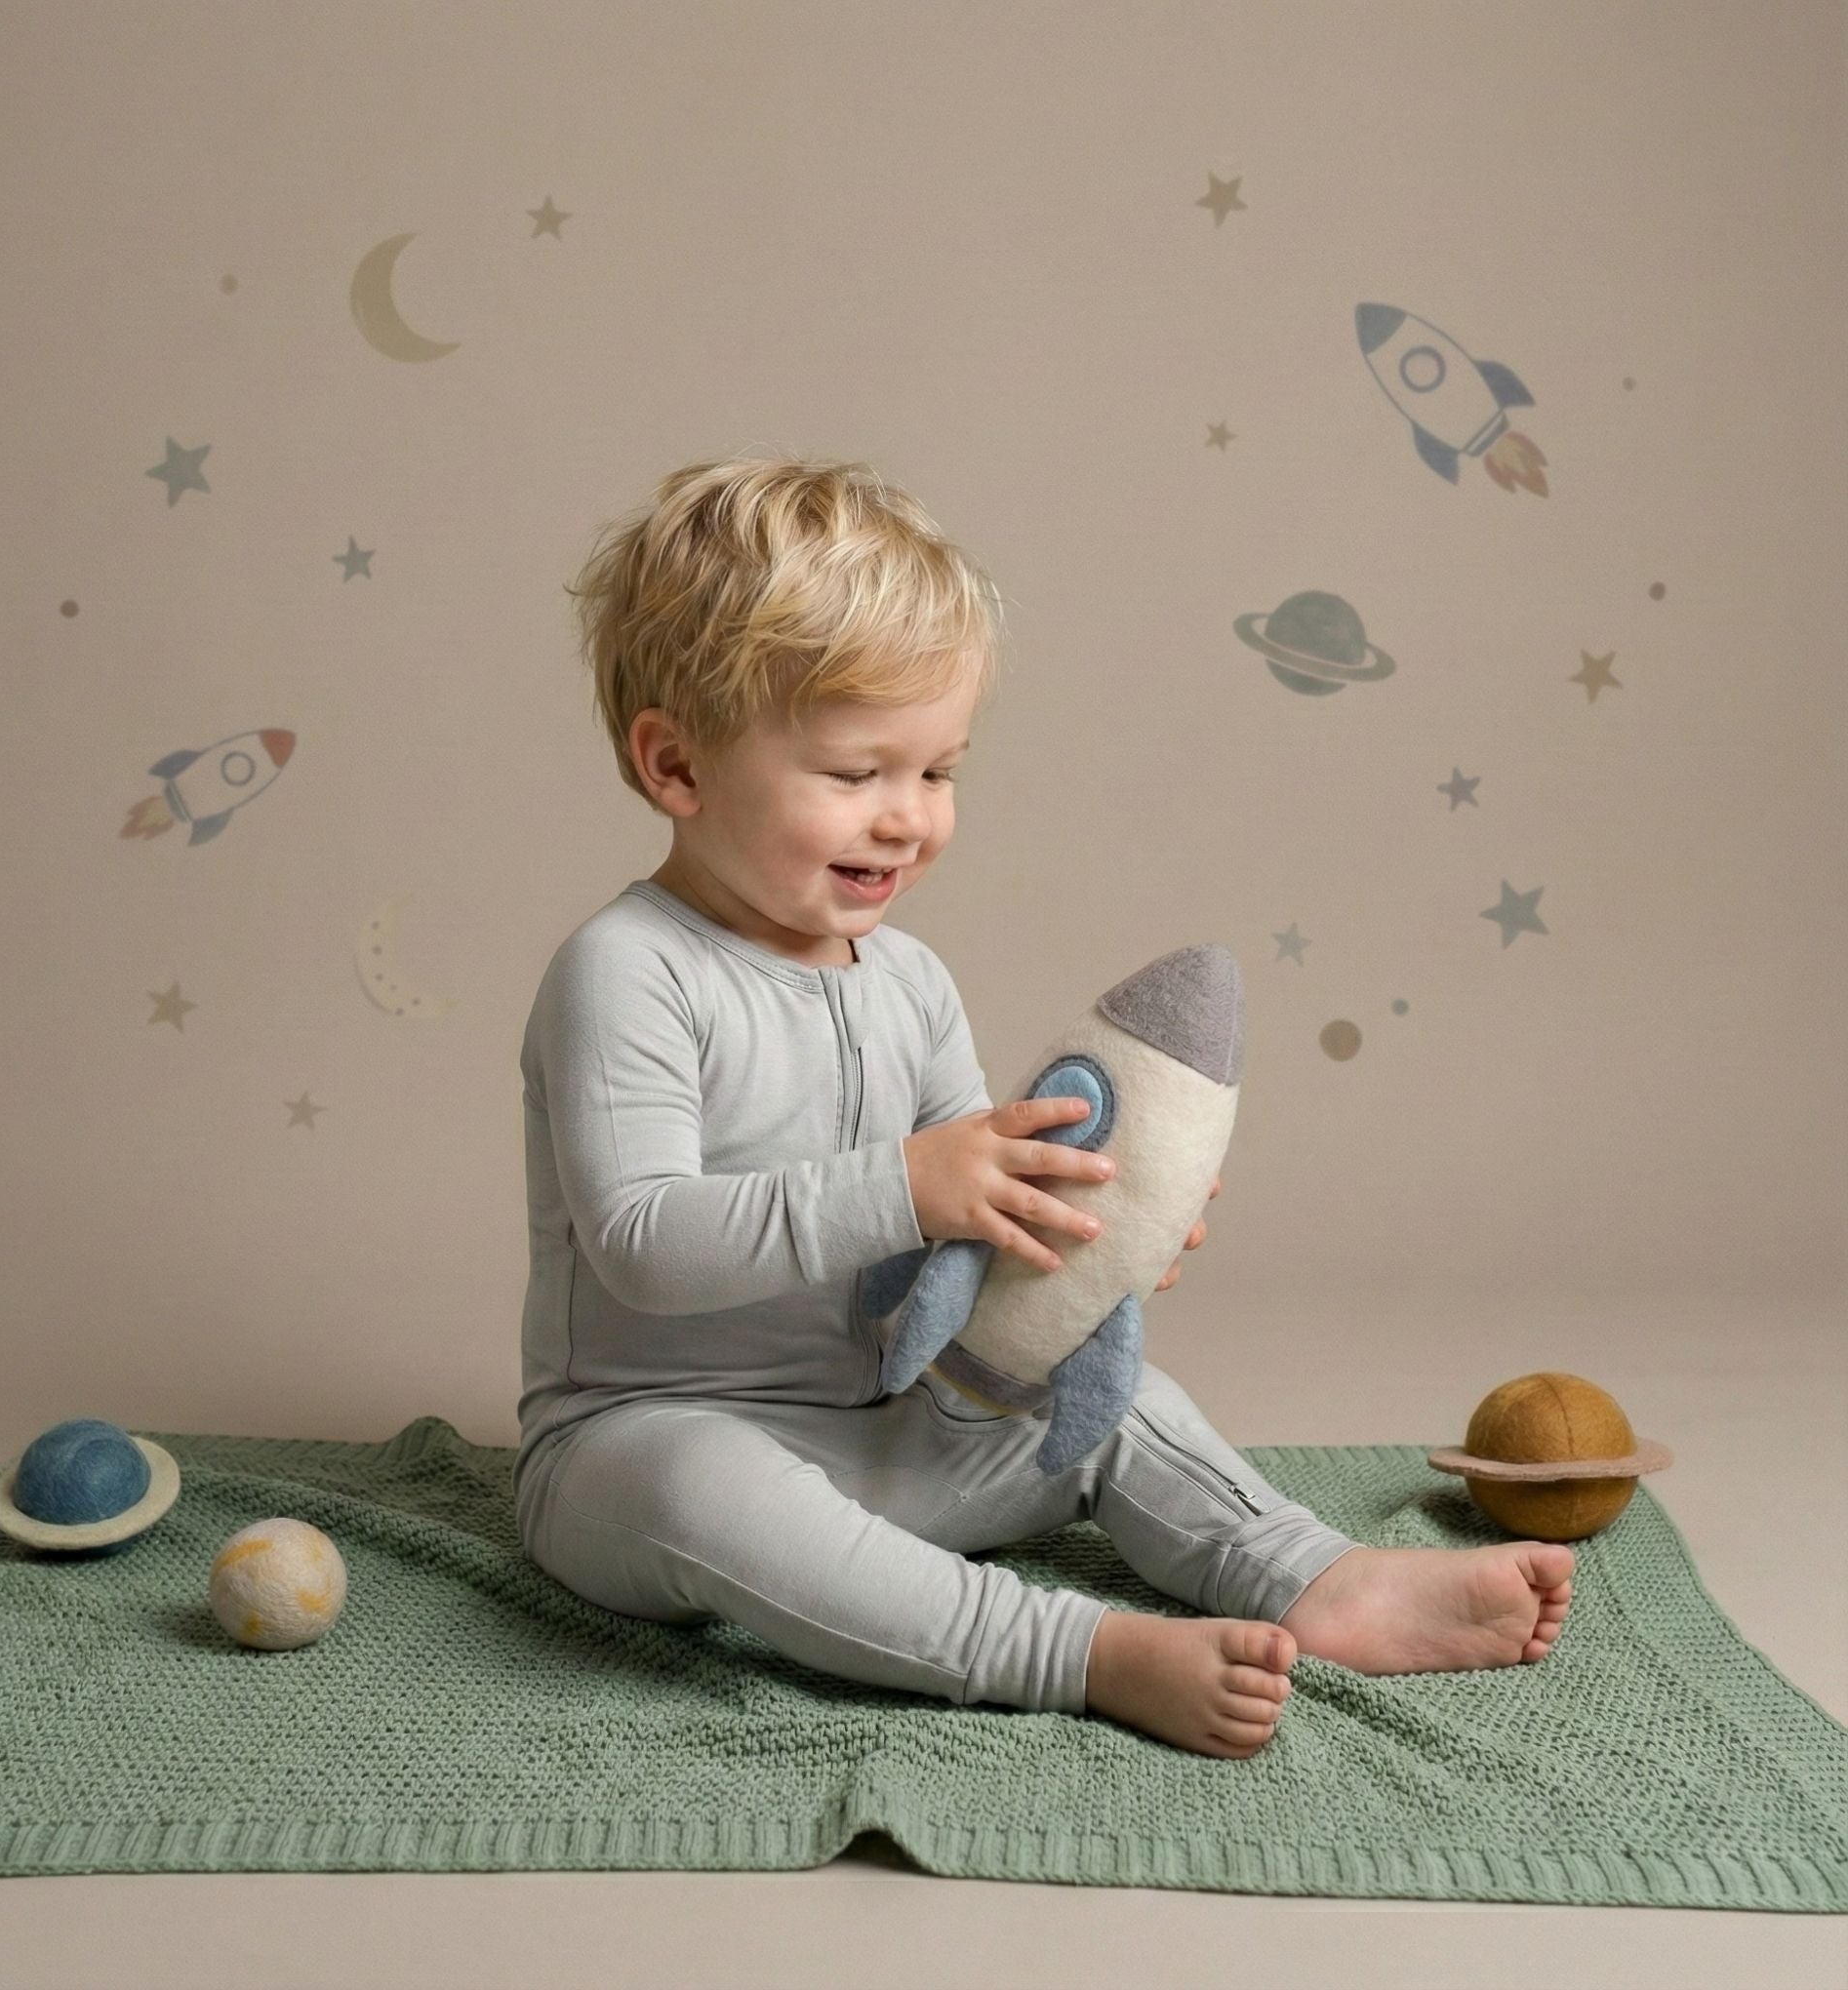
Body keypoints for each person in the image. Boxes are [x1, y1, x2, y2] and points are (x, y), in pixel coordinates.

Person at [512, 455, 1575, 1760]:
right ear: (676, 764)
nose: (908, 820)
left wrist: (1085, 1236)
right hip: (639, 1457)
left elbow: (975, 1255)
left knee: (1100, 1397)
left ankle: (1309, 1573)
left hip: (892, 1433)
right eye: (856, 774)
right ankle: (1070, 1650)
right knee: (698, 1489)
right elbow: (641, 1244)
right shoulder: (625, 972)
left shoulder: (907, 982)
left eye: (939, 771)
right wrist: (911, 1182)